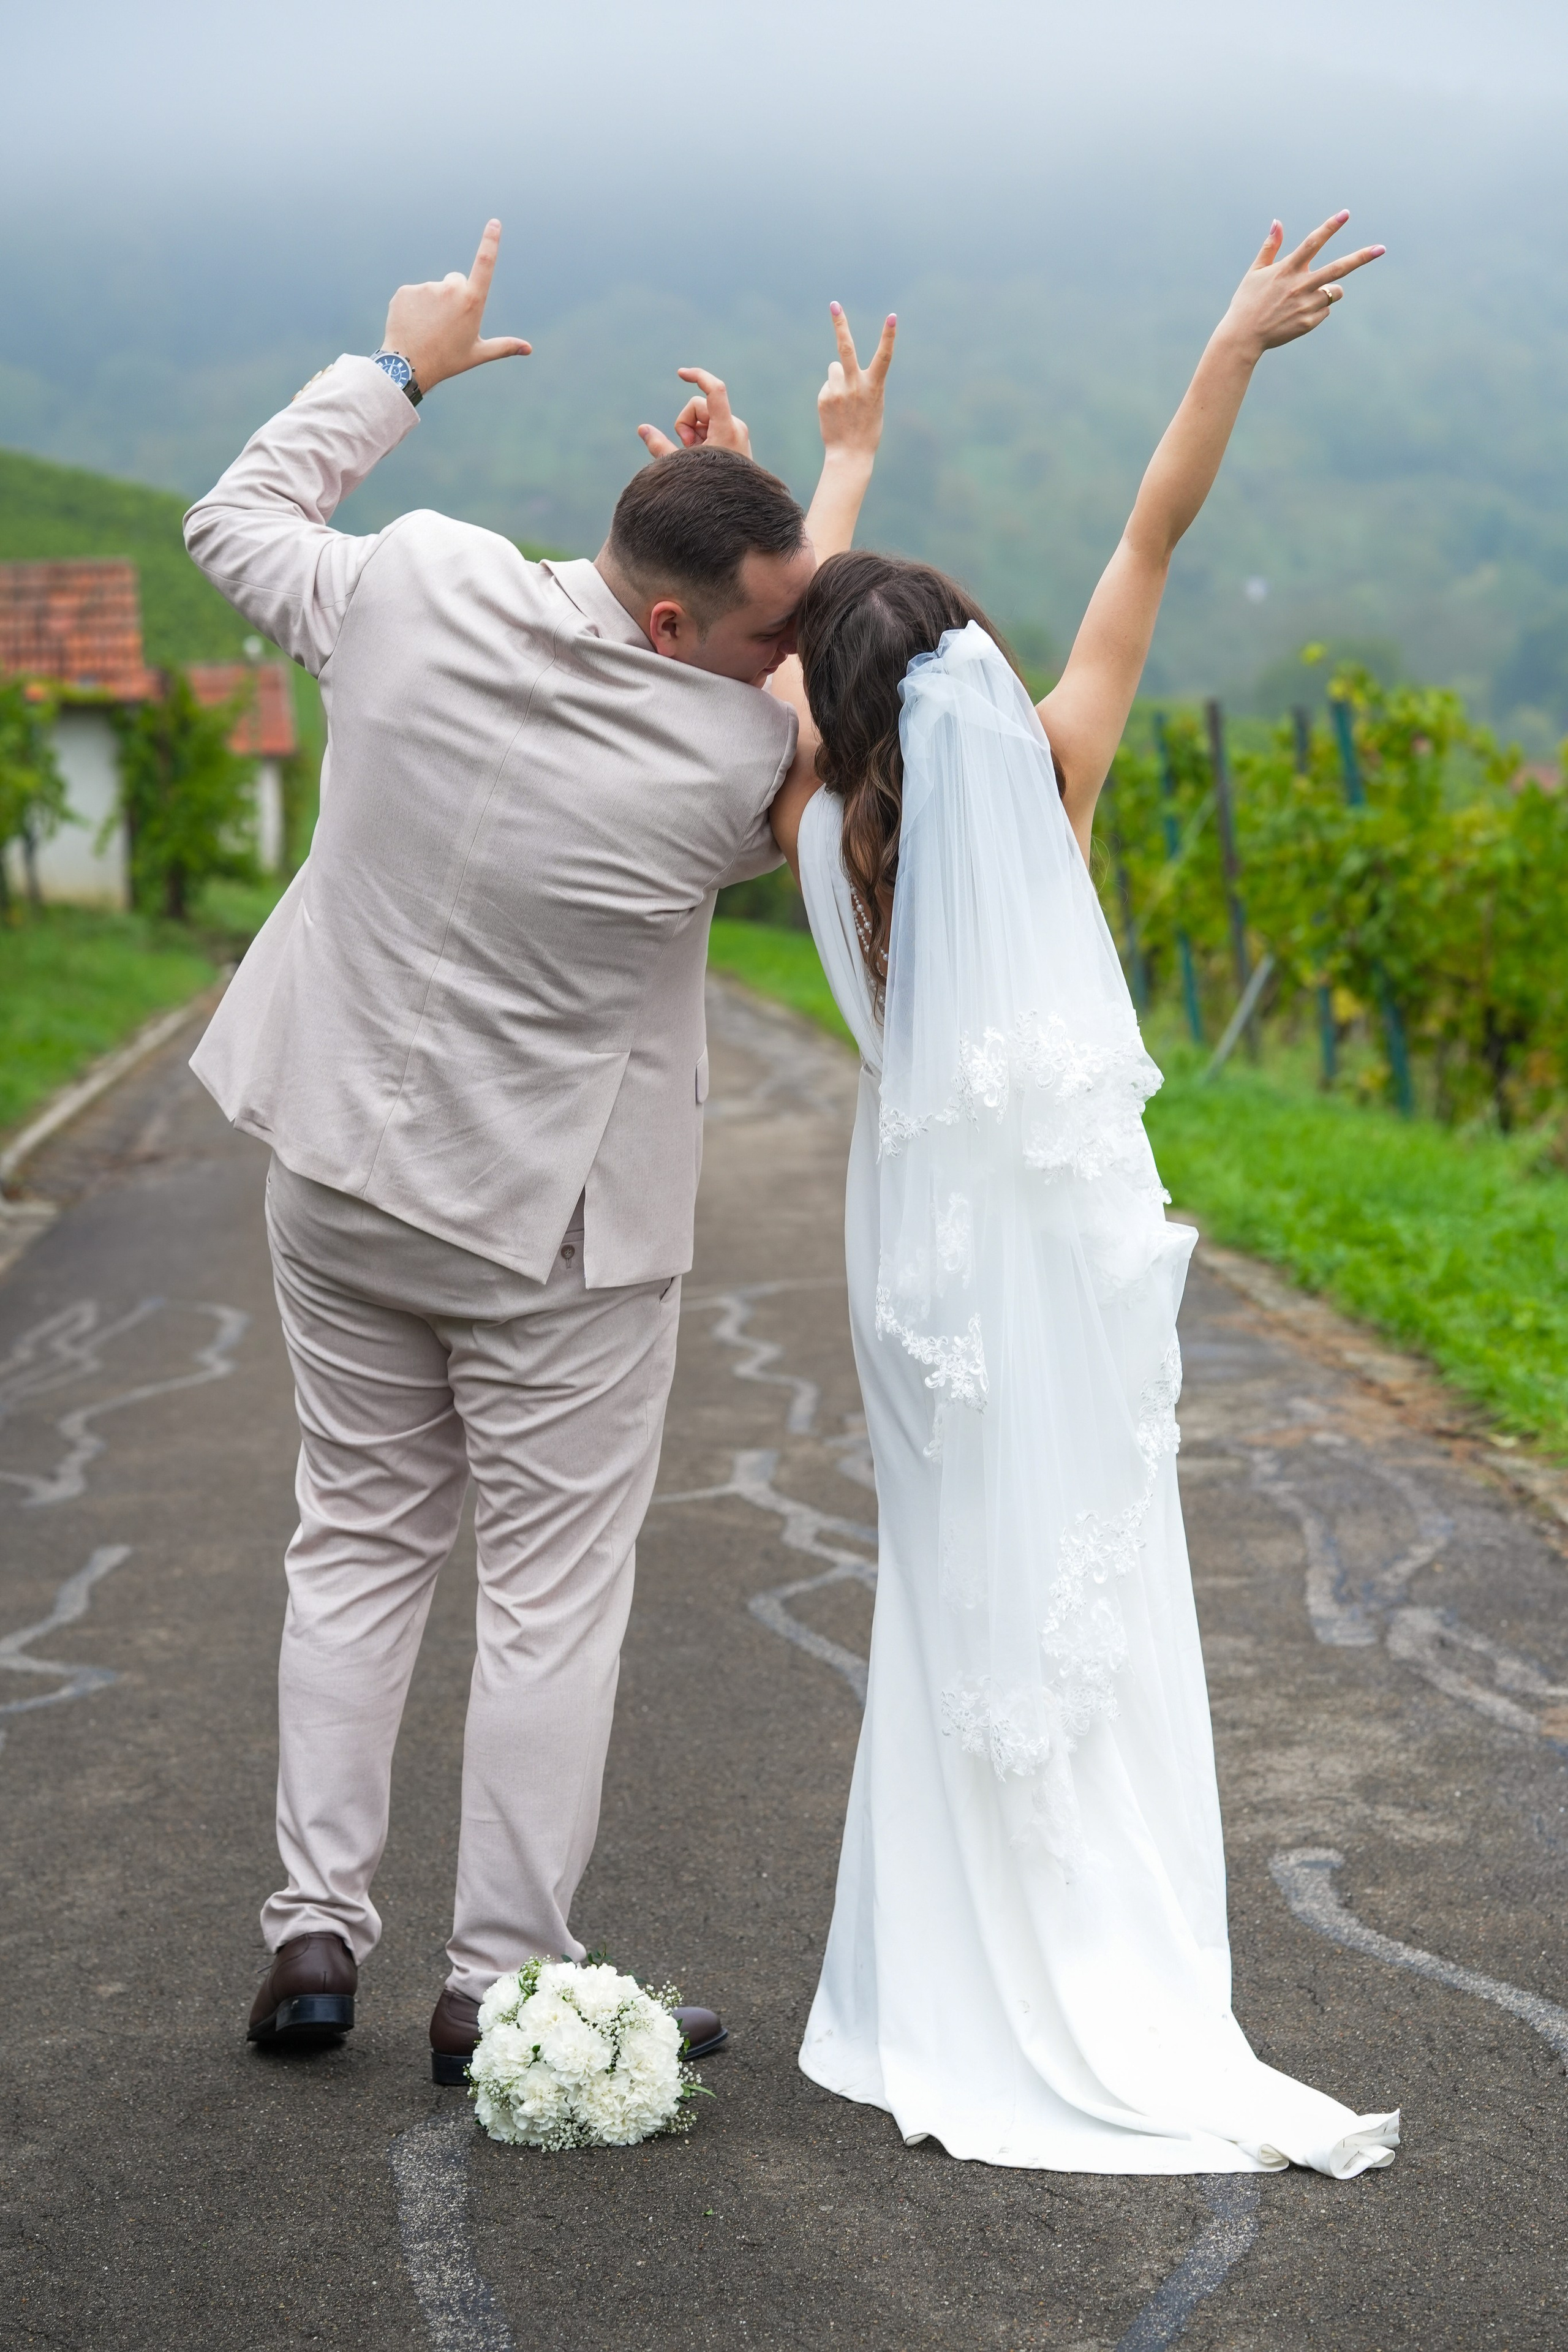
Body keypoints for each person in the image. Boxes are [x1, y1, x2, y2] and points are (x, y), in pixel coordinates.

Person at [183, 221, 895, 2080]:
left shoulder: (415, 585)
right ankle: (498, 1978)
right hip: (551, 1243)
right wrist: (838, 465)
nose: (781, 649)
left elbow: (235, 525)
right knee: (551, 1602)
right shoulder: (725, 775)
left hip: (334, 1167)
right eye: (761, 624)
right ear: (684, 632)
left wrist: (401, 365)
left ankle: (314, 1935)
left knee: (351, 1545)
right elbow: (831, 729)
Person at [767, 214, 1401, 2174]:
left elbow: (805, 656)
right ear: (962, 681)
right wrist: (1228, 347)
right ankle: (1104, 1940)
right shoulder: (1050, 774)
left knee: (954, 1596)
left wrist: (836, 461)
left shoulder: (803, 814)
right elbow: (1150, 538)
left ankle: (952, 1961)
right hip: (1048, 1243)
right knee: (1093, 1594)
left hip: (916, 1252)